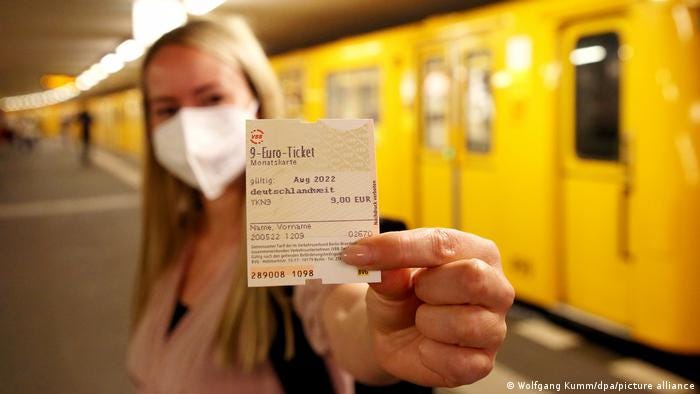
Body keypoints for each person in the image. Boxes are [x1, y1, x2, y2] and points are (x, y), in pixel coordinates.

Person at [127, 17, 514, 394]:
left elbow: (343, 309)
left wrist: (380, 332)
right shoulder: (172, 237)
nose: (190, 127)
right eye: (167, 109)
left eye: (212, 99)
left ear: (256, 104)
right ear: (150, 124)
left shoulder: (304, 219)